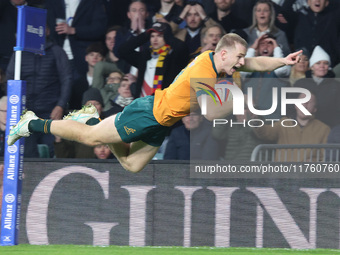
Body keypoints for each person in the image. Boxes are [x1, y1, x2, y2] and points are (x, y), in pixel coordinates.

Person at [7, 33, 302, 173]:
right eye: (237, 58)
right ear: (223, 54)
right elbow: (212, 111)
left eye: (241, 58)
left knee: (132, 165)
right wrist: (241, 98)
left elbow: (254, 61)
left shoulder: (223, 62)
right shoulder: (204, 69)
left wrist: (281, 60)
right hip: (148, 113)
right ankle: (30, 122)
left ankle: (92, 119)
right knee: (89, 137)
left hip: (162, 123)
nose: (241, 62)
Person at [6, 33, 72, 158]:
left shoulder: (56, 51)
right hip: (26, 113)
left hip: (51, 112)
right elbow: (10, 79)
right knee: (27, 154)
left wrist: (60, 105)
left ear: (46, 31)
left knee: (51, 153)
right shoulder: (20, 53)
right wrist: (15, 105)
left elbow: (67, 79)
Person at [252, 91, 331, 162]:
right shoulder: (283, 123)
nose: (304, 105)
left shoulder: (324, 129)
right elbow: (267, 132)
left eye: (309, 102)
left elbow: (326, 156)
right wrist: (256, 121)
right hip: (282, 174)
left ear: (314, 109)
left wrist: (315, 162)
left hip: (308, 175)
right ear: (295, 106)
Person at [119, 22, 189, 98]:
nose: (155, 39)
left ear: (166, 37)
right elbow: (122, 50)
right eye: (152, 36)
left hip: (163, 104)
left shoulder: (173, 58)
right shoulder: (145, 57)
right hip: (142, 104)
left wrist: (169, 37)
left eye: (159, 36)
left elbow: (183, 48)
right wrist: (145, 36)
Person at [45, 0, 108, 79]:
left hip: (80, 58)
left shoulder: (93, 3)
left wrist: (74, 30)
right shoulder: (53, 2)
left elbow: (99, 29)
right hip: (57, 57)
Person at [241, 33, 290, 119]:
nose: (265, 47)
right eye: (262, 44)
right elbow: (242, 70)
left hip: (272, 117)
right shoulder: (252, 66)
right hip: (250, 116)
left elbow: (280, 70)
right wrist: (253, 47)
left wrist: (276, 47)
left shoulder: (284, 66)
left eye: (270, 43)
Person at [294, 45, 340, 128]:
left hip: (329, 128)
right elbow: (290, 107)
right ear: (312, 67)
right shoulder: (300, 84)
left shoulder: (336, 86)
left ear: (328, 67)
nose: (322, 66)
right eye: (318, 63)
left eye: (325, 63)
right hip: (302, 128)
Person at [54, 87, 103, 159]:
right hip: (80, 168)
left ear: (102, 107)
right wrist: (59, 139)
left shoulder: (109, 125)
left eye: (97, 104)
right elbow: (63, 157)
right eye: (89, 104)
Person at [294, 0, 340, 68]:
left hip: (329, 65)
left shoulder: (334, 16)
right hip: (304, 65)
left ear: (326, 2)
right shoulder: (299, 15)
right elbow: (285, 10)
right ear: (308, 2)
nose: (317, 0)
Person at [69, 42, 105, 110]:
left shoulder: (106, 81)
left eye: (99, 55)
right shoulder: (77, 83)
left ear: (103, 59)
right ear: (86, 58)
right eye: (92, 55)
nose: (95, 57)